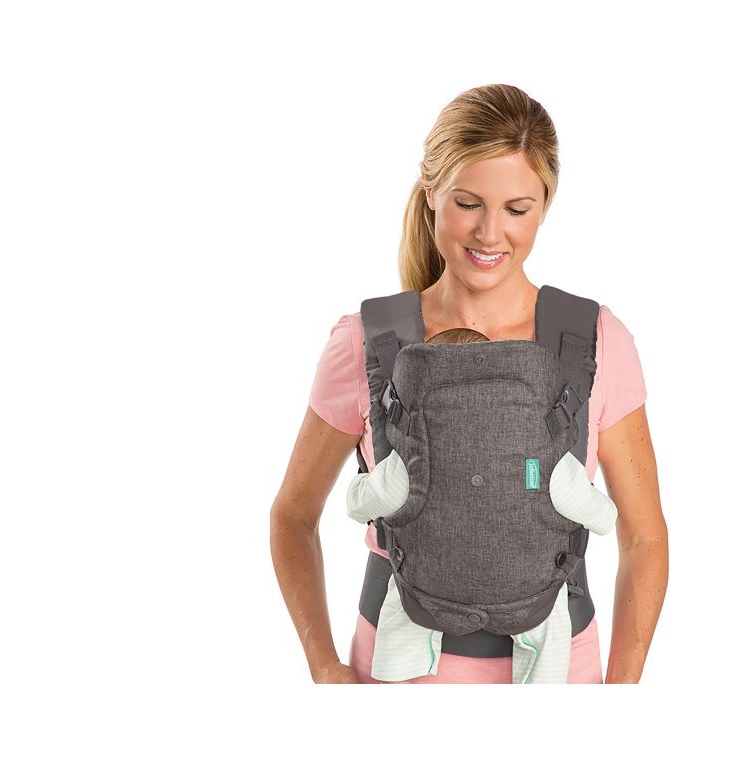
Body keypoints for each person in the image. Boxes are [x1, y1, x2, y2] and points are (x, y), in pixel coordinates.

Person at [270, 83, 669, 684]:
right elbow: (293, 516)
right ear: (431, 191)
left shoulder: (594, 341)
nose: (489, 233)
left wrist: (623, 689)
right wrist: (323, 666)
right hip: (396, 678)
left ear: (545, 207)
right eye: (468, 203)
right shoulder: (367, 341)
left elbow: (644, 538)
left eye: (517, 209)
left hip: (560, 677)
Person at [345, 327, 619, 684]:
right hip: (529, 596)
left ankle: (399, 666)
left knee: (402, 598)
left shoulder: (408, 464)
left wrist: (361, 480)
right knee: (551, 622)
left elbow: (359, 505)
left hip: (427, 595)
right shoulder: (546, 461)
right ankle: (544, 677)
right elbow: (603, 518)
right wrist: (592, 500)